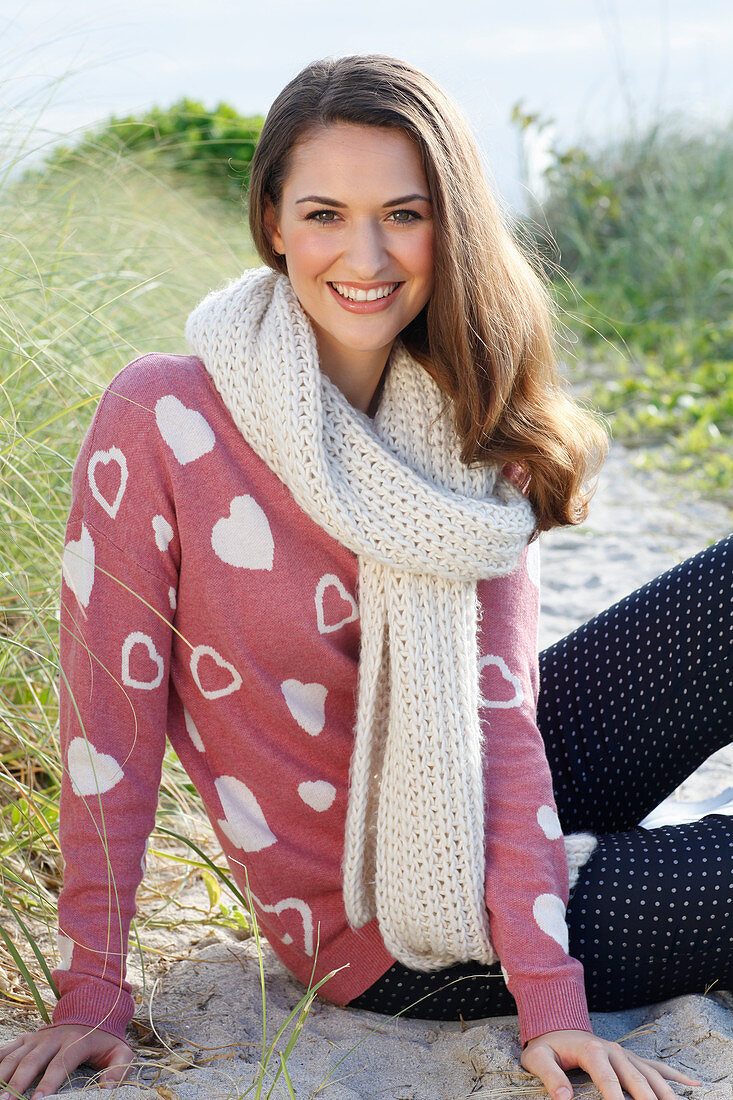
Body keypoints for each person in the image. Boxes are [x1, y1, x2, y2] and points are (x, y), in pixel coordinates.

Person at [1, 53, 728, 1100]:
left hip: (476, 792)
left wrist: (553, 999)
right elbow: (105, 720)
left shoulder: (467, 417)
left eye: (403, 212)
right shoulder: (162, 417)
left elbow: (501, 731)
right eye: (326, 213)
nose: (366, 253)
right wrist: (89, 992)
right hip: (386, 924)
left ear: (449, 225)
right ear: (273, 221)